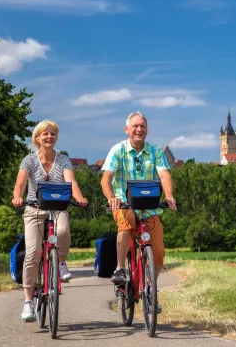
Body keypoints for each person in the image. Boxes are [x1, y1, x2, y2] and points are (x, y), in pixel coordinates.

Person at [100, 110, 177, 314]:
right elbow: (106, 178)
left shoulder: (155, 151)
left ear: (147, 130)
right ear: (127, 129)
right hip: (124, 204)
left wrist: (168, 195)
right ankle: (120, 268)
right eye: (135, 126)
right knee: (125, 224)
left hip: (150, 206)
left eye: (142, 126)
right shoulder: (118, 150)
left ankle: (150, 289)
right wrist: (111, 198)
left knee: (158, 250)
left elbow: (164, 175)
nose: (139, 129)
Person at [12, 119, 88, 322]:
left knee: (62, 231)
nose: (49, 137)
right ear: (37, 138)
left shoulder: (63, 160)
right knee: (32, 253)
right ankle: (28, 301)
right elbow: (20, 184)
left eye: (53, 133)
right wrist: (17, 197)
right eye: (45, 134)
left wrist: (79, 198)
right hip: (34, 209)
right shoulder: (29, 160)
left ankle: (61, 261)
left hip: (58, 207)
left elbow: (71, 181)